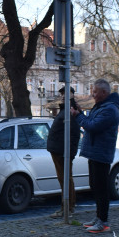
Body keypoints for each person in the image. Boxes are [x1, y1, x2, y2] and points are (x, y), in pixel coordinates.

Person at [77, 79, 119, 234]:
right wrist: (82, 115)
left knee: (101, 188)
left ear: (104, 92)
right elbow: (90, 121)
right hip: (94, 151)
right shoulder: (101, 106)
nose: (93, 94)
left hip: (101, 153)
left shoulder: (109, 109)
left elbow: (93, 126)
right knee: (95, 186)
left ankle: (103, 221)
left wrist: (78, 116)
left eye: (95, 91)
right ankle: (98, 218)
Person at [46, 87, 81, 218]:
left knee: (65, 179)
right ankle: (67, 207)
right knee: (65, 179)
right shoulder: (66, 109)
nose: (62, 96)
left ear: (72, 95)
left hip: (62, 151)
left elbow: (74, 133)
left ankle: (67, 208)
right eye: (61, 93)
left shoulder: (71, 111)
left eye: (66, 93)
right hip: (58, 150)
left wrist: (70, 153)